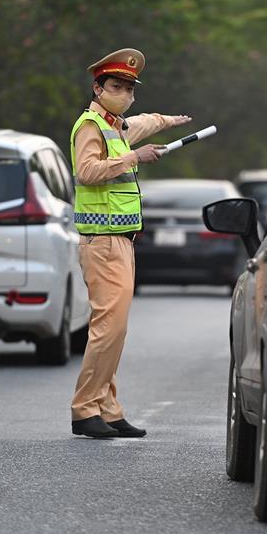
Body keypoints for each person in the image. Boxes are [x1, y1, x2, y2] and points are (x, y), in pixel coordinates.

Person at [69, 48, 191, 439]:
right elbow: (87, 171)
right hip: (102, 241)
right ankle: (85, 409)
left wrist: (170, 121)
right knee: (109, 328)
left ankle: (107, 408)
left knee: (115, 330)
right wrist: (134, 158)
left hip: (120, 241)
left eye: (129, 89)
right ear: (98, 88)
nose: (124, 94)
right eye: (117, 87)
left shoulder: (117, 127)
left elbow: (144, 122)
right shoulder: (91, 126)